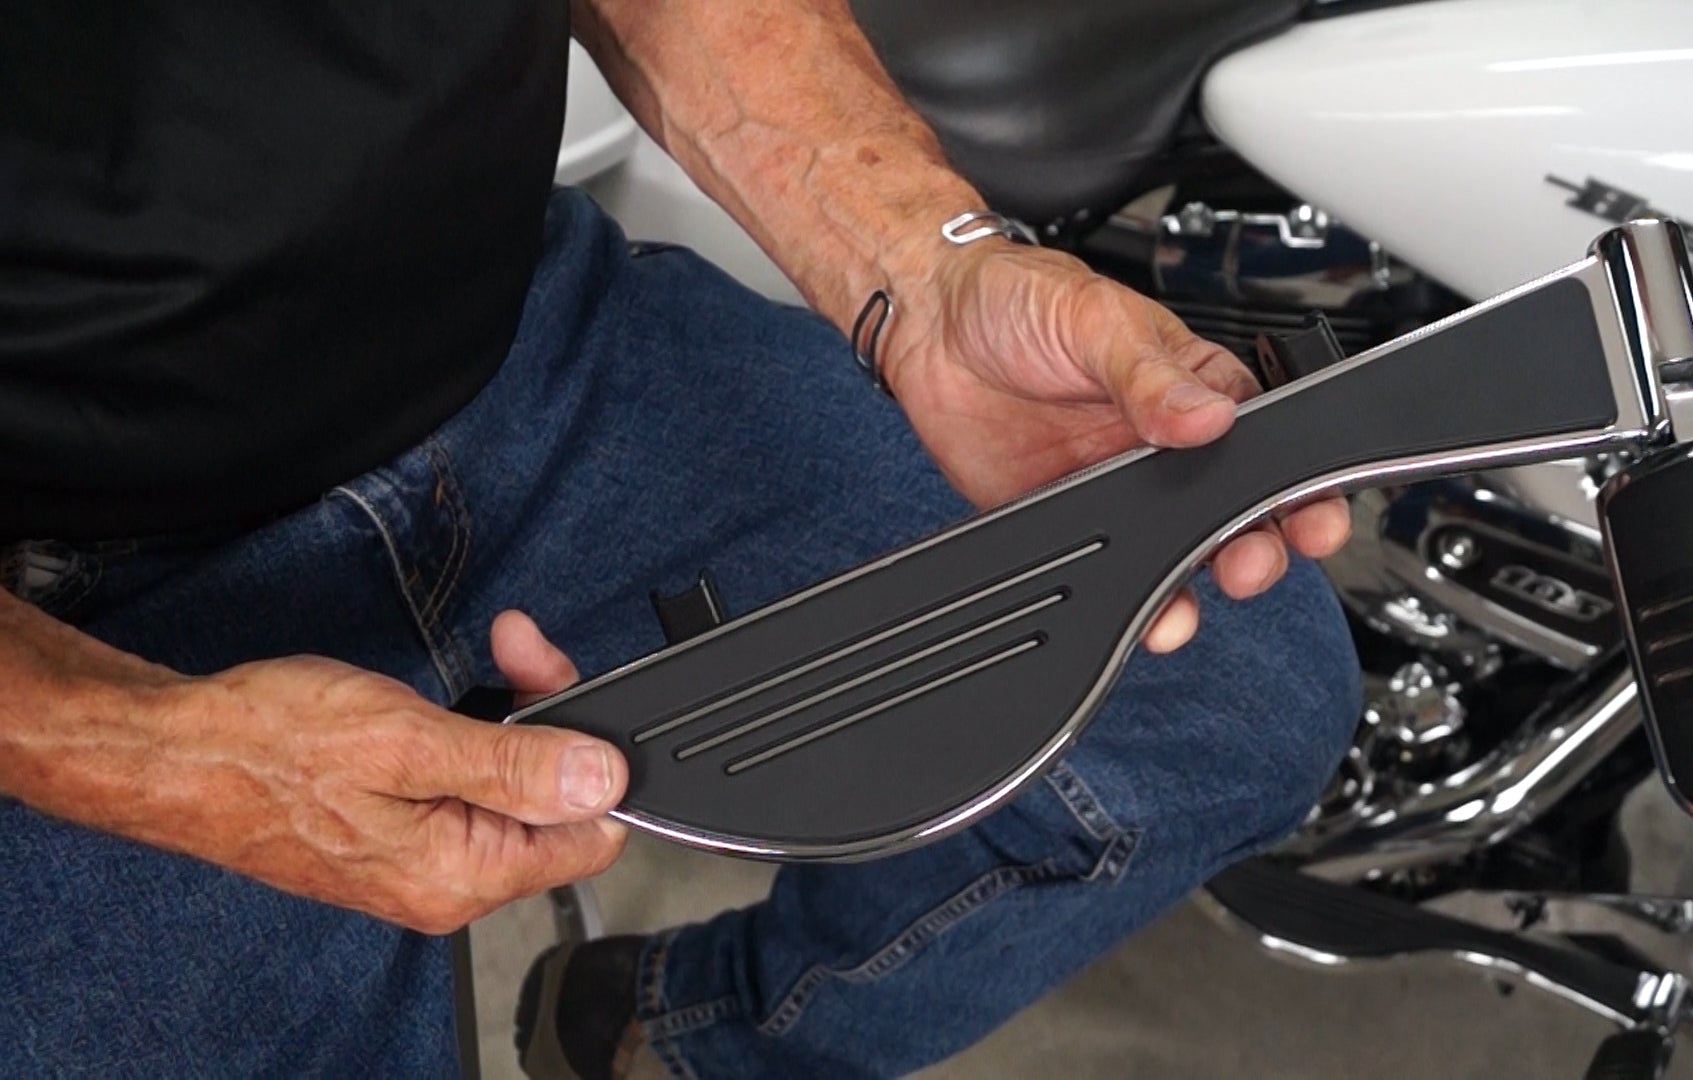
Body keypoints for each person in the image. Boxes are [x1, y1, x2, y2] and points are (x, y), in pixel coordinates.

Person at [0, 2, 1360, 1077]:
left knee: (1229, 686)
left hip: (516, 339)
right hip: (75, 584)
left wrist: (921, 269)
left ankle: (657, 1039)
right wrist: (135, 756)